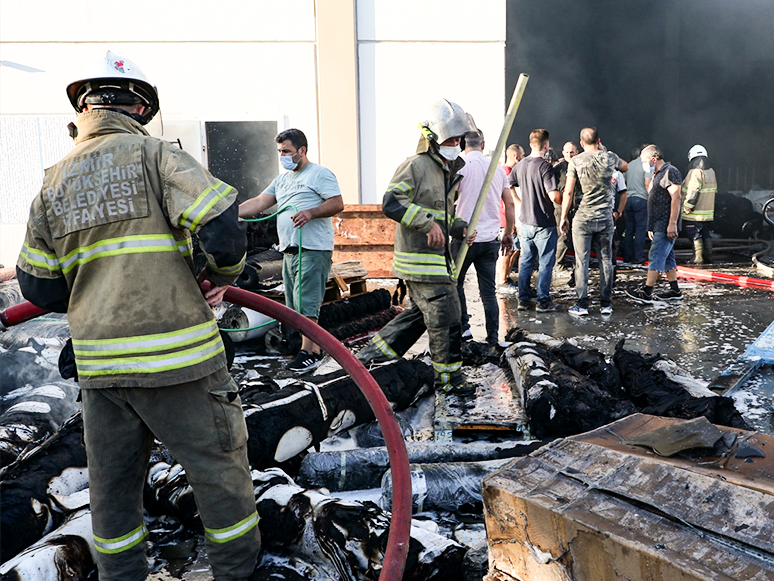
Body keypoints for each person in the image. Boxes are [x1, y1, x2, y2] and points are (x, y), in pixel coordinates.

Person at [16, 51, 260, 581]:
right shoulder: (156, 157)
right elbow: (221, 225)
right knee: (219, 476)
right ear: (141, 107)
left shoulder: (52, 182)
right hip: (181, 363)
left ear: (81, 108)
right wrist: (223, 277)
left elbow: (38, 285)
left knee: (112, 491)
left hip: (101, 372)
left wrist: (95, 298)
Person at [357, 99, 476, 396]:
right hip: (420, 261)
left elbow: (441, 214)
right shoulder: (415, 166)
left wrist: (458, 227)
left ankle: (370, 359)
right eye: (450, 138)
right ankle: (448, 381)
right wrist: (427, 224)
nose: (456, 143)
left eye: (459, 138)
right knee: (447, 317)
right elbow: (392, 202)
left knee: (419, 317)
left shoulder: (446, 170)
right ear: (433, 139)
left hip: (437, 260)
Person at [239, 129, 343, 372]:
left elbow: (337, 203)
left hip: (312, 248)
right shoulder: (282, 180)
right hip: (289, 249)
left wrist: (311, 212)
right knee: (295, 303)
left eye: (286, 151)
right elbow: (258, 202)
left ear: (302, 150)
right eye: (279, 152)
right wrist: (228, 212)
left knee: (307, 302)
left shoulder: (319, 174)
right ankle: (309, 348)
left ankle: (310, 351)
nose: (282, 156)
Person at [452, 130, 514, 345]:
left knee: (456, 284)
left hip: (463, 239)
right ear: (483, 143)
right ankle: (493, 338)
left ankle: (465, 330)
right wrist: (508, 233)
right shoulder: (497, 168)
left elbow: (448, 199)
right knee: (488, 292)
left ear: (461, 144)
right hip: (490, 239)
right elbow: (510, 203)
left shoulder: (460, 167)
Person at [560, 127, 628, 316]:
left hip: (583, 219)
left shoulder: (576, 161)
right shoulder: (610, 157)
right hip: (605, 218)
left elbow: (568, 191)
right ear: (599, 140)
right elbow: (626, 167)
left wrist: (563, 216)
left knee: (582, 261)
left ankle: (582, 305)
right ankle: (606, 304)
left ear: (581, 144)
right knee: (606, 260)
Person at [509, 128, 562, 312]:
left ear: (530, 144)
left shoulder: (520, 165)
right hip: (544, 223)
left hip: (525, 222)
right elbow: (554, 196)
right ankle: (543, 302)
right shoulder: (545, 166)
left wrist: (517, 201)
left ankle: (523, 300)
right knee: (546, 263)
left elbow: (509, 184)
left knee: (525, 262)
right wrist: (566, 198)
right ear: (546, 145)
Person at [626, 144, 684, 302]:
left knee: (656, 256)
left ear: (654, 159)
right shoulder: (658, 174)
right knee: (667, 259)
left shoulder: (670, 171)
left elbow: (676, 197)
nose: (643, 164)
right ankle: (675, 291)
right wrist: (651, 226)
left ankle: (647, 291)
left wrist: (672, 223)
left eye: (644, 160)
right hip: (659, 224)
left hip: (665, 225)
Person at [681, 144, 717, 264]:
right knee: (705, 234)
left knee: (694, 234)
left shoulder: (695, 173)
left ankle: (698, 258)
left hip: (694, 213)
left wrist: (687, 206)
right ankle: (708, 257)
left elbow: (693, 191)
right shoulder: (711, 172)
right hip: (707, 212)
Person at [496, 144, 524, 291]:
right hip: (506, 219)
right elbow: (507, 202)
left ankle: (506, 277)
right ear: (516, 156)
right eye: (523, 155)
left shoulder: (506, 171)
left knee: (514, 249)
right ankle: (502, 280)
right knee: (508, 251)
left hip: (509, 218)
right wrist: (510, 222)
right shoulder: (507, 173)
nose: (524, 158)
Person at [552, 141, 581, 272]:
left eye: (572, 152)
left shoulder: (580, 166)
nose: (569, 154)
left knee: (577, 236)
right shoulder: (558, 168)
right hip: (560, 206)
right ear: (563, 153)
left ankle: (577, 265)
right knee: (562, 236)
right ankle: (559, 264)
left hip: (577, 206)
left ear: (577, 153)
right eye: (567, 152)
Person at [622, 146, 653, 264]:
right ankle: (638, 256)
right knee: (640, 230)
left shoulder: (629, 165)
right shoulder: (646, 166)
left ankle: (627, 256)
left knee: (629, 229)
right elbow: (647, 183)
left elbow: (622, 182)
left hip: (628, 200)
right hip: (641, 200)